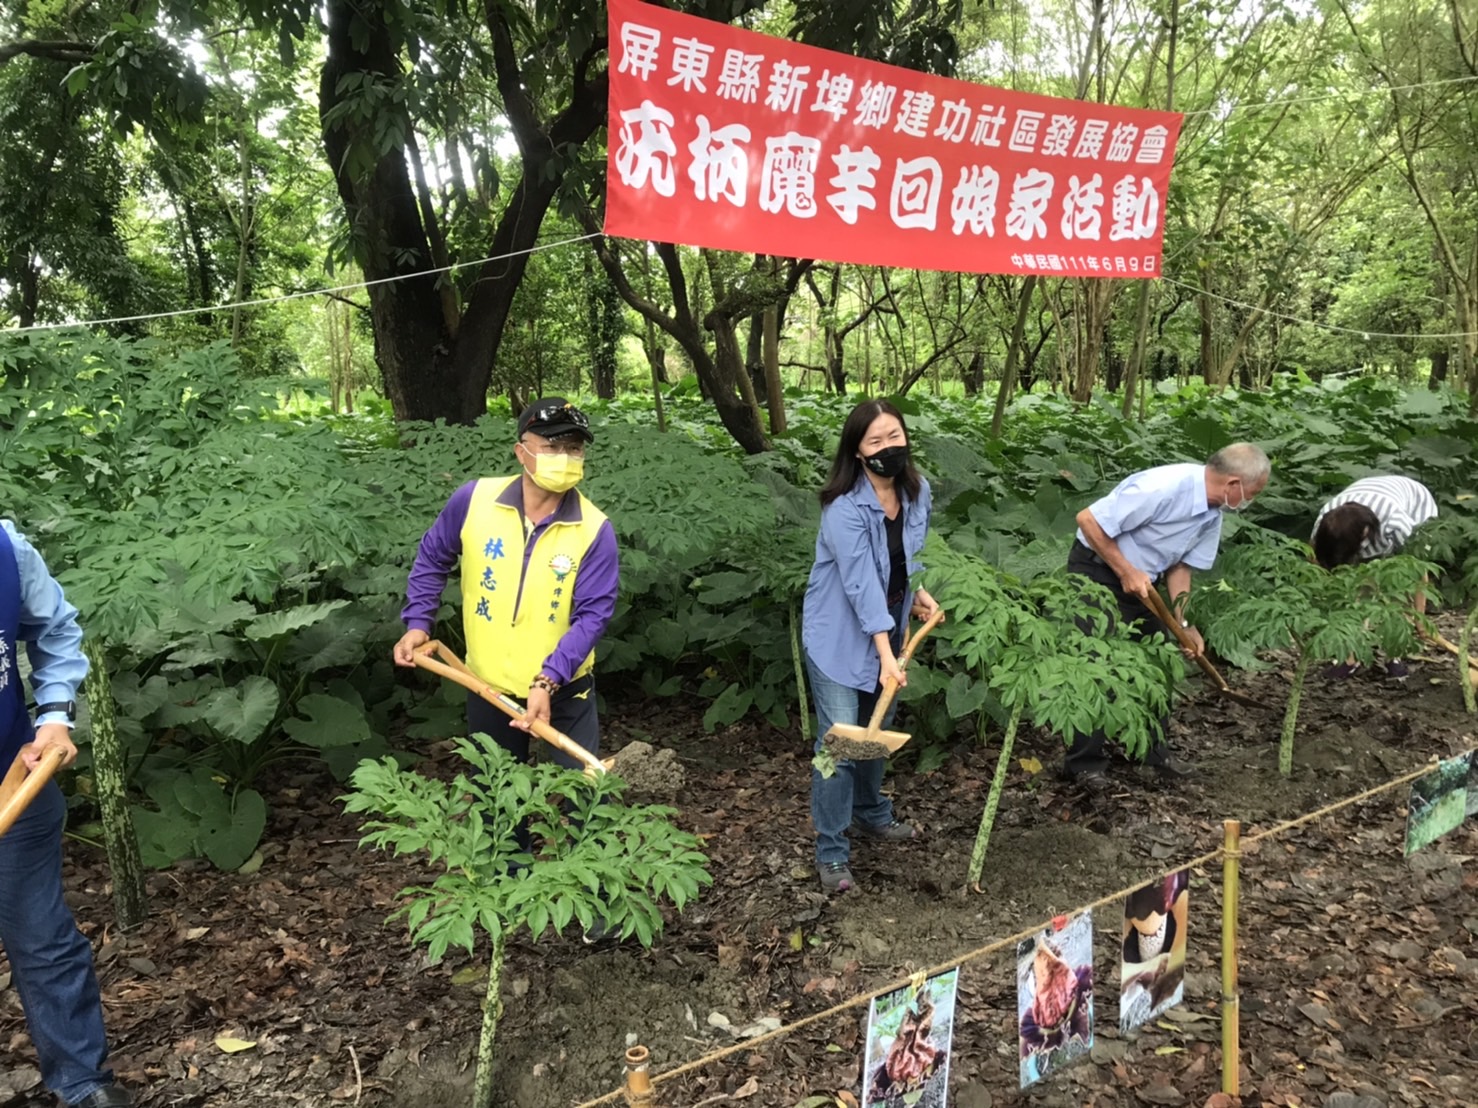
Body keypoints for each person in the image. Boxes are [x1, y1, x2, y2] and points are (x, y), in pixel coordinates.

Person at [392, 398, 619, 772]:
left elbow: (593, 616)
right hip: (487, 685)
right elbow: (432, 557)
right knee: (495, 792)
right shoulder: (474, 501)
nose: (564, 457)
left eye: (574, 448)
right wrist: (418, 623)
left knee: (585, 791)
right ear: (521, 451)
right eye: (552, 446)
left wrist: (548, 680)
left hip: (565, 687)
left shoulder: (594, 529)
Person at [0, 521, 130, 1107]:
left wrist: (54, 715)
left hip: (11, 780)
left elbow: (54, 628)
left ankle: (83, 1083)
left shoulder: (6, 549)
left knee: (44, 939)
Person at [1062, 443, 1271, 791]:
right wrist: (1126, 570)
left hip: (1146, 584)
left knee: (1159, 663)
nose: (1252, 499)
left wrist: (1185, 625)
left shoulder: (1212, 514)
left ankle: (1152, 754)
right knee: (1097, 665)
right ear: (1234, 484)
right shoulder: (1162, 487)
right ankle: (1083, 765)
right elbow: (1088, 520)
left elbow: (1181, 567)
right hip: (1096, 571)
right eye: (1254, 492)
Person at [802, 400, 942, 894]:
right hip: (839, 640)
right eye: (875, 441)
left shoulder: (918, 492)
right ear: (858, 452)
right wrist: (886, 657)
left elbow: (909, 557)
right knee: (839, 745)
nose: (888, 447)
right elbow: (861, 585)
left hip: (891, 633)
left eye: (894, 436)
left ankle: (870, 812)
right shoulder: (844, 508)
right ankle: (831, 852)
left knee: (875, 732)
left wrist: (919, 593)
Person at [1312, 474, 1437, 679]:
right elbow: (1317, 557)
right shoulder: (1326, 522)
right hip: (1370, 503)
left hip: (1414, 501)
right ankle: (1351, 658)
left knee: (1396, 590)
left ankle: (1394, 655)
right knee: (1357, 592)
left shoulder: (1398, 525)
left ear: (1366, 533)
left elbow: (1417, 572)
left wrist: (1420, 620)